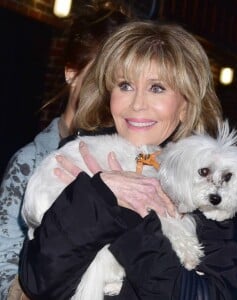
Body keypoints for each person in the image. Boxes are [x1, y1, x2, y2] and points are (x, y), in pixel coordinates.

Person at [19, 20, 237, 300]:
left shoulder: (209, 190)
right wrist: (97, 199)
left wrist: (133, 220)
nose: (137, 104)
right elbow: (39, 283)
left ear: (185, 107)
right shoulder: (78, 158)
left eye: (157, 88)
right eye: (125, 85)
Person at [0, 9, 128, 299]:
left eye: (122, 83)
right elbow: (3, 277)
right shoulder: (31, 162)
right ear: (72, 72)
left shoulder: (127, 159)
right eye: (100, 76)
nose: (110, 93)